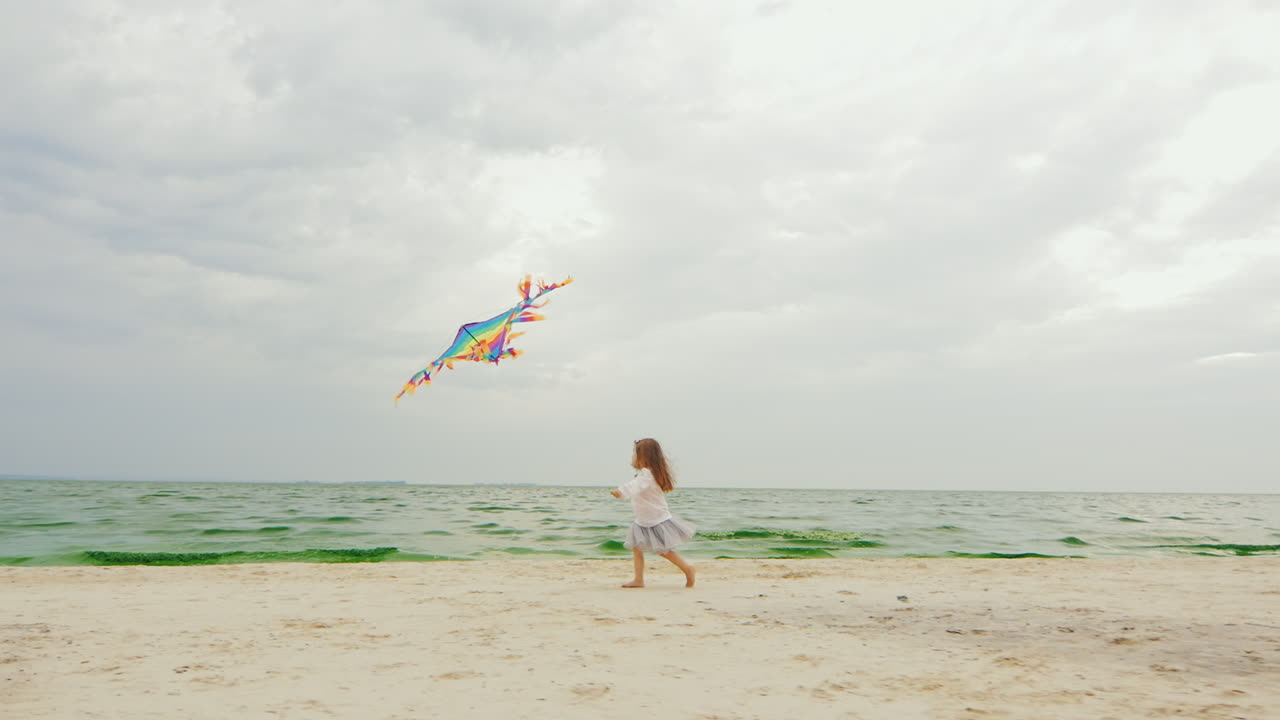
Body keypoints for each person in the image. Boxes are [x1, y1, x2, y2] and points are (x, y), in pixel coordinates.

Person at [610, 438, 696, 588]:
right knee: (637, 548)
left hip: (655, 519)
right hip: (644, 519)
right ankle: (638, 579)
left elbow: (635, 486)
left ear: (644, 456)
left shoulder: (646, 474)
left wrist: (621, 491)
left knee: (663, 550)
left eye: (635, 454)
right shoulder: (648, 474)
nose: (633, 457)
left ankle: (688, 569)